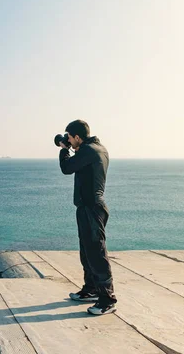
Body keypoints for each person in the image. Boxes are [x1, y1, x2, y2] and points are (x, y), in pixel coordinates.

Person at [59, 120, 117, 315]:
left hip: (92, 208)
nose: (67, 140)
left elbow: (66, 168)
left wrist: (63, 149)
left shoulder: (89, 150)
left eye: (69, 137)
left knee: (96, 253)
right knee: (87, 251)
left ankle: (107, 299)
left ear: (77, 137)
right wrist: (70, 148)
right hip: (89, 207)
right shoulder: (97, 148)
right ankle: (91, 289)